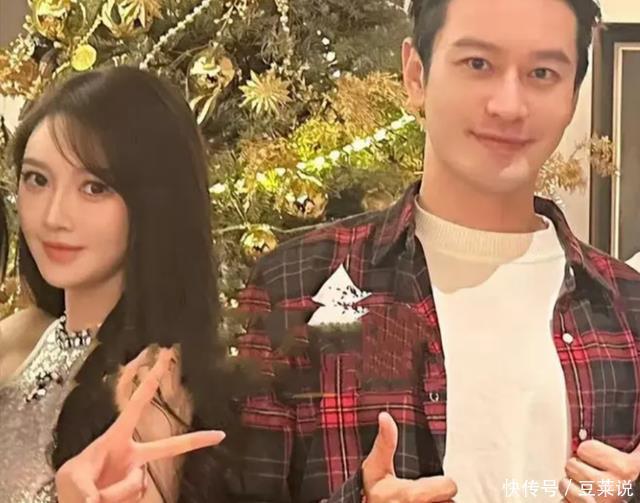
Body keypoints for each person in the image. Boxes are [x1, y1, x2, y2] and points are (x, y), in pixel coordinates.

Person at [233, 0, 640, 501]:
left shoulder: (628, 307)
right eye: (478, 63)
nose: (508, 105)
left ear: (572, 94)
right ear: (415, 73)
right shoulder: (297, 283)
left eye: (542, 73)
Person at [0, 66, 247, 502]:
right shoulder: (19, 335)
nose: (53, 216)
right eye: (37, 179)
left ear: (154, 202)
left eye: (94, 188)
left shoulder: (151, 388)